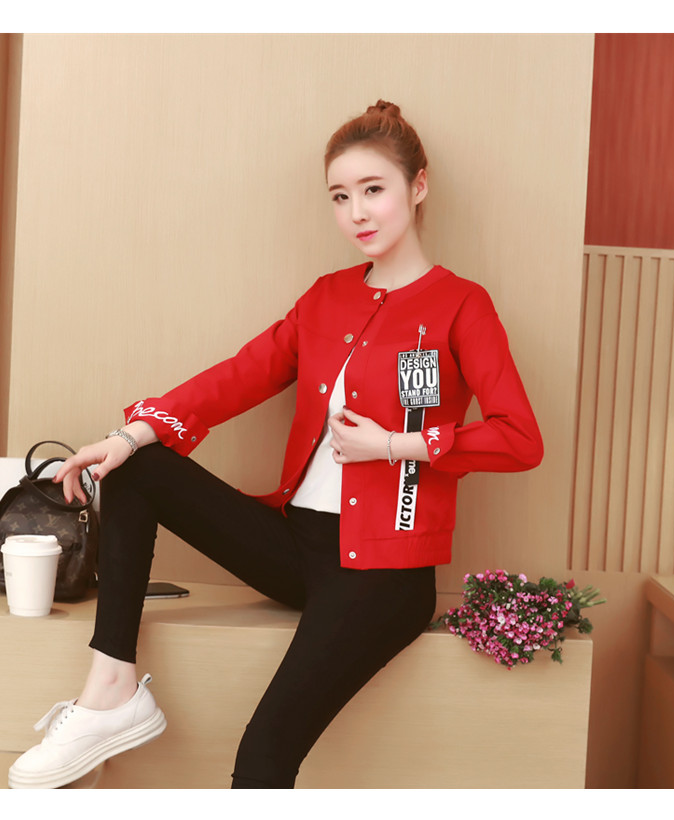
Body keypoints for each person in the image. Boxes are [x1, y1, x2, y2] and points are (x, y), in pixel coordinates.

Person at [8, 100, 543, 790]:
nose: (357, 213)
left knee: (263, 757)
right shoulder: (326, 298)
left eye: (373, 190)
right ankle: (111, 690)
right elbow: (241, 374)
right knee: (137, 465)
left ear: (418, 186)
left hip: (383, 575)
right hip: (299, 546)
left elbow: (518, 438)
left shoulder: (461, 305)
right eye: (340, 196)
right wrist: (129, 433)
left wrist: (396, 444)